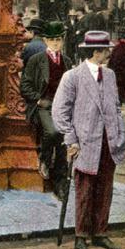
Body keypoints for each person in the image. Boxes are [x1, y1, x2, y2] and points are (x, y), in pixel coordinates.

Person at [52, 30, 125, 249]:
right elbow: (59, 111)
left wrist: (120, 133)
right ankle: (81, 235)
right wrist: (70, 139)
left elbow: (115, 108)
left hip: (109, 142)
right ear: (97, 52)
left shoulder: (111, 75)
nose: (110, 53)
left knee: (105, 188)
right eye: (107, 50)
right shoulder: (73, 77)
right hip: (84, 142)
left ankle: (100, 233)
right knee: (85, 189)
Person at [20, 21, 72, 199]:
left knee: (64, 140)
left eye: (58, 39)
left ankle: (60, 183)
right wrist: (38, 99)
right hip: (43, 105)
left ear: (62, 41)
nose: (56, 43)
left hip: (62, 107)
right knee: (52, 132)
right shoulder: (37, 60)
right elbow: (24, 85)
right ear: (45, 40)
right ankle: (44, 157)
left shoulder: (67, 61)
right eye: (52, 39)